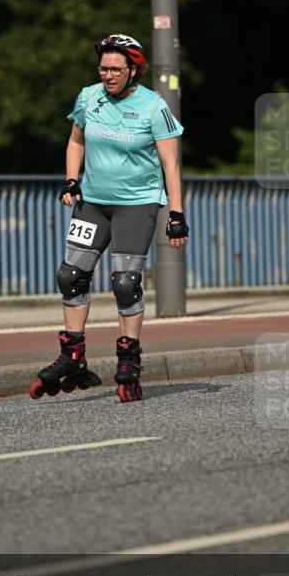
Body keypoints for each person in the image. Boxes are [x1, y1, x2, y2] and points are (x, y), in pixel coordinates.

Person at [29, 33, 189, 403]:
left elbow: (171, 164)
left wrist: (176, 213)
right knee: (70, 275)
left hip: (137, 203)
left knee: (124, 282)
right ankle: (72, 355)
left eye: (116, 69)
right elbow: (76, 140)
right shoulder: (89, 97)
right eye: (103, 68)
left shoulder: (153, 107)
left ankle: (128, 359)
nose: (108, 75)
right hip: (94, 202)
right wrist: (71, 178)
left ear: (134, 70)